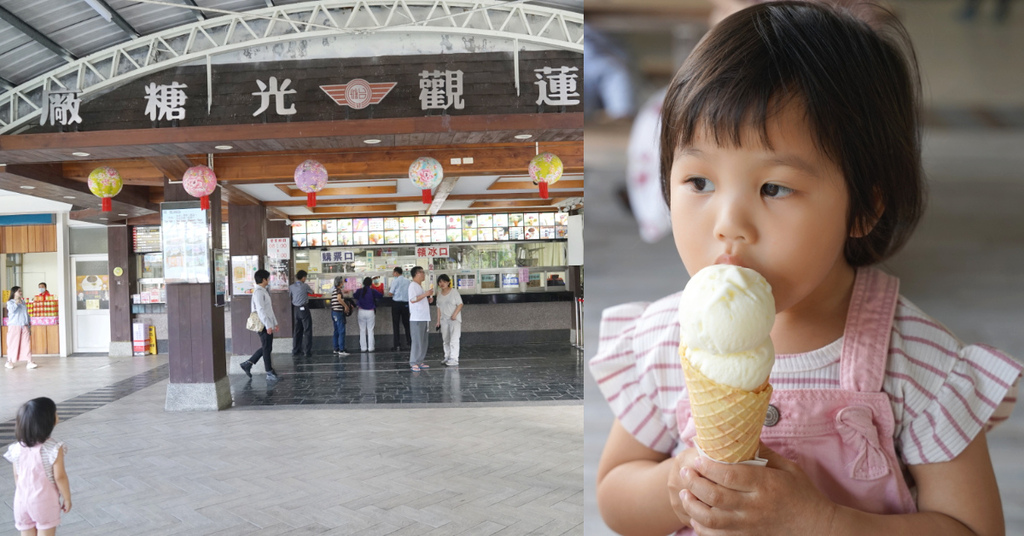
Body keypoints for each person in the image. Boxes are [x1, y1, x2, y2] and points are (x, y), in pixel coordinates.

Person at [590, 4, 1023, 536]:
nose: (729, 225)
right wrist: (676, 486)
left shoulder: (915, 366)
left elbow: (974, 528)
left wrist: (821, 521)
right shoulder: (663, 341)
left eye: (774, 188)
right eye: (699, 182)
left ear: (865, 207)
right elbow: (615, 493)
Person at [4, 397, 71, 534]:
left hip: (21, 502)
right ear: (46, 421)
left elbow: (17, 476)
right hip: (44, 503)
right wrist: (67, 497)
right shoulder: (53, 448)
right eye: (55, 413)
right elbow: (60, 477)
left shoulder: (16, 448)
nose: (57, 415)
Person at [240, 269, 280, 381]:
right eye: (268, 278)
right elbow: (261, 310)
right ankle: (269, 372)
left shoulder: (263, 291)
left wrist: (274, 323)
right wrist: (268, 325)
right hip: (262, 324)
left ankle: (248, 363)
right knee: (267, 348)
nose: (269, 280)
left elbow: (269, 310)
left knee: (267, 347)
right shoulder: (258, 292)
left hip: (267, 323)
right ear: (263, 279)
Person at [433, 274, 464, 366]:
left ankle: (454, 358)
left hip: (454, 320)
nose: (441, 284)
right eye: (440, 282)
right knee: (445, 339)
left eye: (444, 281)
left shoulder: (454, 292)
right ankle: (447, 356)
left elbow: (460, 304)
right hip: (444, 320)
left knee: (454, 339)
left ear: (448, 282)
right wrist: (438, 321)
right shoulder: (439, 294)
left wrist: (454, 314)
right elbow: (438, 308)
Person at [407, 266, 433, 372]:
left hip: (424, 317)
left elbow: (420, 298)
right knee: (417, 341)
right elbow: (413, 299)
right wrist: (425, 294)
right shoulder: (412, 285)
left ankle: (420, 360)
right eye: (422, 272)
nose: (424, 275)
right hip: (417, 318)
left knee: (423, 340)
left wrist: (427, 299)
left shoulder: (419, 286)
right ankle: (413, 362)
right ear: (417, 274)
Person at [6, 287, 36, 370]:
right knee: (13, 344)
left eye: (21, 291)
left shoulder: (23, 302)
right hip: (14, 326)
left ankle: (29, 362)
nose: (21, 292)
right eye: (19, 291)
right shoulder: (10, 302)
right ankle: (9, 361)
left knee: (26, 344)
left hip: (24, 326)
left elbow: (26, 314)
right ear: (14, 292)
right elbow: (11, 311)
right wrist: (16, 303)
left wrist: (29, 326)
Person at [288, 270, 314, 358]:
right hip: (304, 309)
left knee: (297, 330)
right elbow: (312, 292)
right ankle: (307, 351)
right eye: (305, 277)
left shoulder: (291, 286)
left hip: (295, 310)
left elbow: (290, 295)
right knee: (307, 330)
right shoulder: (305, 286)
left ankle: (295, 350)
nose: (305, 279)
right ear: (303, 277)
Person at [354, 277, 383, 353]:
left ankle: (363, 348)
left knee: (362, 330)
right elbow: (380, 295)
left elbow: (354, 296)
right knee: (370, 330)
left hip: (361, 311)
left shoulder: (360, 291)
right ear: (371, 283)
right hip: (370, 312)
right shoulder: (373, 291)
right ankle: (371, 348)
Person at [387, 267, 411, 351]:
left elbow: (390, 293)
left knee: (396, 324)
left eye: (394, 273)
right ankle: (410, 342)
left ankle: (397, 345)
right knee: (407, 324)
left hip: (396, 304)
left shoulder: (395, 281)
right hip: (405, 304)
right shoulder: (408, 281)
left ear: (396, 273)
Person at [330, 276, 351, 357]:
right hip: (338, 313)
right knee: (341, 331)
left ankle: (336, 348)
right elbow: (339, 299)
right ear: (339, 283)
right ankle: (341, 350)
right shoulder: (338, 291)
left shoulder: (334, 290)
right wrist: (346, 306)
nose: (343, 283)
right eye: (342, 282)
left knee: (336, 331)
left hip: (333, 312)